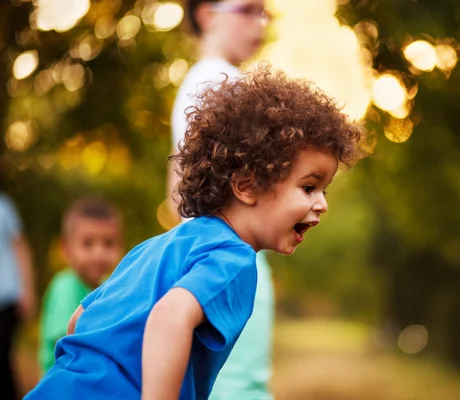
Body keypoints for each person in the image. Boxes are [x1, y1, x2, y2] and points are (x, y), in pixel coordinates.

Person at [24, 65, 365, 400]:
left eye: (324, 190)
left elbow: (77, 322)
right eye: (308, 187)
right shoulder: (234, 258)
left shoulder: (155, 248)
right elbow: (170, 316)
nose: (322, 204)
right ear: (246, 186)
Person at [167, 1, 274, 398]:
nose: (260, 22)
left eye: (265, 13)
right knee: (241, 386)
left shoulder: (194, 83)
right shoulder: (223, 80)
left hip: (211, 253)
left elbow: (176, 186)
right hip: (233, 254)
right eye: (248, 10)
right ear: (207, 15)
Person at [38, 197, 123, 375]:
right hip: (63, 386)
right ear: (66, 249)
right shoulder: (65, 287)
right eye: (88, 243)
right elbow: (68, 345)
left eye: (108, 243)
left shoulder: (109, 287)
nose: (99, 253)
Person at [0, 192, 35, 399]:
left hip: (8, 294)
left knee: (2, 355)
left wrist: (27, 290)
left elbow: (20, 247)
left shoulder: (4, 206)